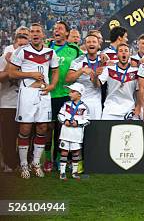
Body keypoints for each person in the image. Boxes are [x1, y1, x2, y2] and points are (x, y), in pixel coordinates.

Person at [7, 23, 59, 179]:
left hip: (43, 93)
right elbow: (11, 73)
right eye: (32, 32)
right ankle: (23, 164)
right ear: (29, 35)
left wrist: (52, 85)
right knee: (25, 129)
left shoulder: (50, 52)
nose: (35, 34)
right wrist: (30, 74)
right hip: (27, 93)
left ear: (43, 34)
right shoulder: (21, 51)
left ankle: (35, 163)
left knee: (43, 127)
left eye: (38, 31)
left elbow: (55, 70)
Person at [46, 21, 83, 172]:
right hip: (48, 94)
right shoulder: (46, 47)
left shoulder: (74, 50)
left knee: (63, 129)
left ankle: (61, 159)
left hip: (66, 95)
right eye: (55, 29)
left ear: (67, 33)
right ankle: (48, 159)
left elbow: (87, 59)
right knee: (47, 128)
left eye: (60, 28)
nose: (57, 31)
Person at [0, 32, 29, 172]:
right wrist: (10, 64)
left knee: (26, 135)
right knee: (8, 136)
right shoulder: (3, 59)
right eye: (19, 45)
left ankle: (22, 162)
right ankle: (9, 164)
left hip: (26, 104)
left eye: (25, 45)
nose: (22, 48)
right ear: (14, 45)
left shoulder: (31, 61)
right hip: (7, 104)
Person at [66, 33, 104, 120]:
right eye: (88, 42)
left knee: (95, 128)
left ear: (98, 45)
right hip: (80, 100)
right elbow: (68, 79)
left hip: (96, 102)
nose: (91, 44)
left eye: (94, 42)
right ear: (85, 45)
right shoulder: (78, 61)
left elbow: (97, 85)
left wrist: (95, 75)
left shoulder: (103, 60)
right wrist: (81, 70)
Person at [57, 82, 89, 180]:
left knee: (76, 153)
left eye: (72, 91)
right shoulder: (66, 104)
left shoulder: (84, 107)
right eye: (70, 91)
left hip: (76, 135)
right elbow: (59, 115)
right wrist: (65, 121)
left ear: (79, 94)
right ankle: (62, 172)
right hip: (65, 133)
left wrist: (78, 123)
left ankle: (74, 172)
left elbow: (87, 120)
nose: (69, 93)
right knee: (64, 152)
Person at [98, 43, 139, 120]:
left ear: (130, 54)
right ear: (116, 54)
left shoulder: (136, 71)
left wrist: (138, 107)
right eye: (120, 51)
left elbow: (139, 91)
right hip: (110, 110)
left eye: (126, 51)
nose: (123, 52)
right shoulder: (109, 68)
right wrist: (95, 76)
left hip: (129, 111)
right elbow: (98, 84)